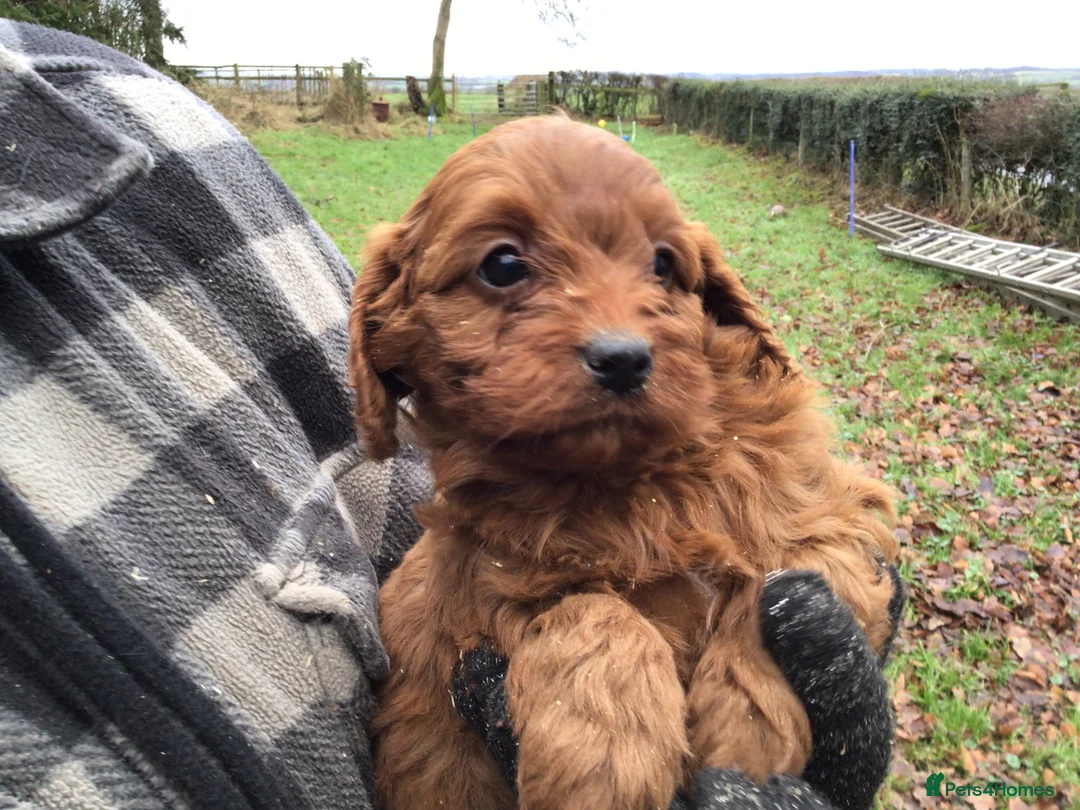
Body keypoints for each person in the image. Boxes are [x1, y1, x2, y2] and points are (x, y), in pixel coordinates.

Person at [0, 20, 903, 810]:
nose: (619, 329)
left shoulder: (143, 122)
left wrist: (773, 644)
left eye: (660, 267)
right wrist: (583, 643)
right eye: (506, 268)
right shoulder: (488, 513)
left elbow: (842, 520)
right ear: (386, 340)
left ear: (715, 300)